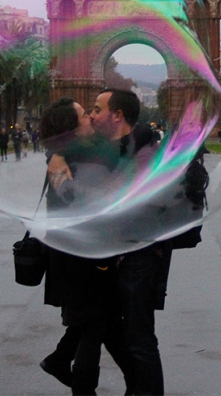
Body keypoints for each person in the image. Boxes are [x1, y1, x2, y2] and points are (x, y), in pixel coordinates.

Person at [48, 89, 170, 395]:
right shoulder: (83, 154)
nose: (91, 116)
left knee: (111, 329)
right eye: (86, 113)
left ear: (117, 115)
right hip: (86, 254)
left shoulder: (131, 149)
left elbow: (124, 198)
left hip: (123, 253)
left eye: (95, 110)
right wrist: (58, 154)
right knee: (101, 326)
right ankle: (80, 372)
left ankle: (69, 366)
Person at [38, 97, 128, 395]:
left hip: (82, 251)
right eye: (83, 115)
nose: (90, 117)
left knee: (95, 320)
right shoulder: (68, 161)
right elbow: (74, 199)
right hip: (80, 254)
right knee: (95, 324)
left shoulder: (77, 153)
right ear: (71, 128)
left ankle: (59, 360)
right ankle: (82, 385)